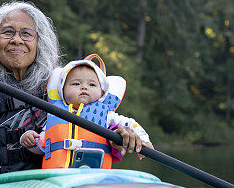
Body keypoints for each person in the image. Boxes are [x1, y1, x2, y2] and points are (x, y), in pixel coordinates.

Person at [0, 2, 143, 177]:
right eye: (8, 32)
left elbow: (97, 121)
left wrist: (118, 134)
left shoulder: (61, 89)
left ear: (39, 42)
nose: (17, 40)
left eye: (26, 34)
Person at [20, 54, 152, 169]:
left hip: (94, 178)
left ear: (101, 92)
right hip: (57, 177)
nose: (84, 87)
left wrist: (144, 141)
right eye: (76, 84)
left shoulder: (106, 115)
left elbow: (130, 124)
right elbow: (44, 146)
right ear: (63, 91)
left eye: (92, 84)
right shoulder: (54, 114)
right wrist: (31, 141)